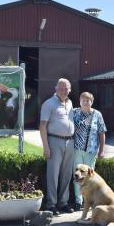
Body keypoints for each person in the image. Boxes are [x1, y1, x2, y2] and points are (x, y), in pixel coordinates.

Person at [39, 78, 75, 215]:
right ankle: (51, 204)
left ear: (70, 90)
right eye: (61, 88)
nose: (64, 91)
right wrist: (46, 147)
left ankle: (63, 202)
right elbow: (42, 126)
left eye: (66, 88)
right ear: (55, 89)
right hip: (54, 141)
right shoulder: (48, 104)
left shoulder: (70, 103)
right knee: (53, 174)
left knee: (66, 174)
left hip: (70, 142)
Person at [70, 91, 107, 211]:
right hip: (77, 150)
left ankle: (88, 200)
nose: (85, 102)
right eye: (83, 100)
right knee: (77, 176)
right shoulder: (74, 112)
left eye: (88, 100)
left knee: (89, 177)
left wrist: (101, 150)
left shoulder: (97, 114)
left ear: (92, 101)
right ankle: (78, 201)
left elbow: (102, 133)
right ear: (80, 101)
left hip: (91, 151)